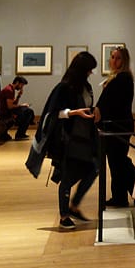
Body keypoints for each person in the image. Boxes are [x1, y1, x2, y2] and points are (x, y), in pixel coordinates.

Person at [46, 51, 101, 229]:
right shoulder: (64, 87)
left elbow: (88, 105)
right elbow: (53, 114)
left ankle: (74, 205)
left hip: (86, 136)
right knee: (69, 176)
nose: (91, 73)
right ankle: (64, 215)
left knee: (93, 168)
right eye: (89, 69)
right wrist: (74, 112)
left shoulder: (87, 86)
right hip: (70, 139)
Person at [96, 46, 135, 207]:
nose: (114, 60)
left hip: (118, 127)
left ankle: (133, 193)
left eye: (118, 58)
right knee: (118, 163)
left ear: (124, 60)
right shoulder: (118, 78)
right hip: (115, 126)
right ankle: (123, 195)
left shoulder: (123, 79)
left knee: (119, 162)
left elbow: (108, 103)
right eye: (112, 57)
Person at [0, 76, 34, 140]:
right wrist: (22, 105)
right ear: (17, 82)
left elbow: (13, 104)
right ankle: (20, 134)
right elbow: (10, 106)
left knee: (28, 111)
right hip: (5, 112)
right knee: (29, 112)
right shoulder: (9, 90)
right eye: (21, 85)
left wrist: (18, 96)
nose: (22, 87)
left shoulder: (11, 89)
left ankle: (24, 128)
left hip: (8, 110)